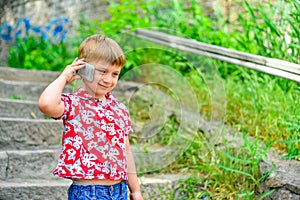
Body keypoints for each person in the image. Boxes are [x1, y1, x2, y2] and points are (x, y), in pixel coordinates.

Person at [38, 35, 143, 200]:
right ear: (83, 68)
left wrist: (135, 191)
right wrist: (64, 77)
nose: (108, 79)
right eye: (102, 71)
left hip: (120, 190)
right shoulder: (74, 103)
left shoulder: (119, 109)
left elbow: (126, 152)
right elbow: (46, 104)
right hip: (88, 193)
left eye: (115, 74)